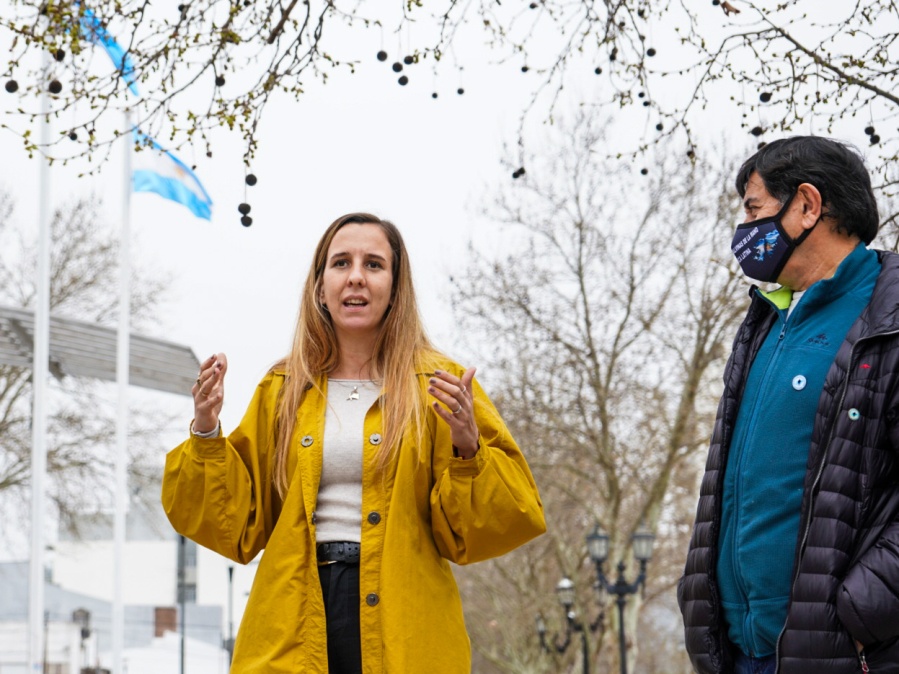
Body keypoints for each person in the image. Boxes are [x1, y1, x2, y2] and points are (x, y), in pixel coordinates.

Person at [162, 213, 546, 673]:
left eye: (374, 264)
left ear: (395, 286)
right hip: (294, 616)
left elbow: (491, 524)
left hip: (404, 620)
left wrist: (469, 449)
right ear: (320, 285)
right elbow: (239, 523)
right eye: (341, 263)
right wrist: (206, 431)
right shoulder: (284, 387)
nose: (356, 277)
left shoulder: (438, 385)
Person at [677, 137, 899, 674]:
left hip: (838, 651)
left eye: (754, 210)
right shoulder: (764, 322)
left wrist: (862, 611)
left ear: (806, 204)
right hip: (738, 650)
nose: (745, 231)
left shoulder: (887, 320)